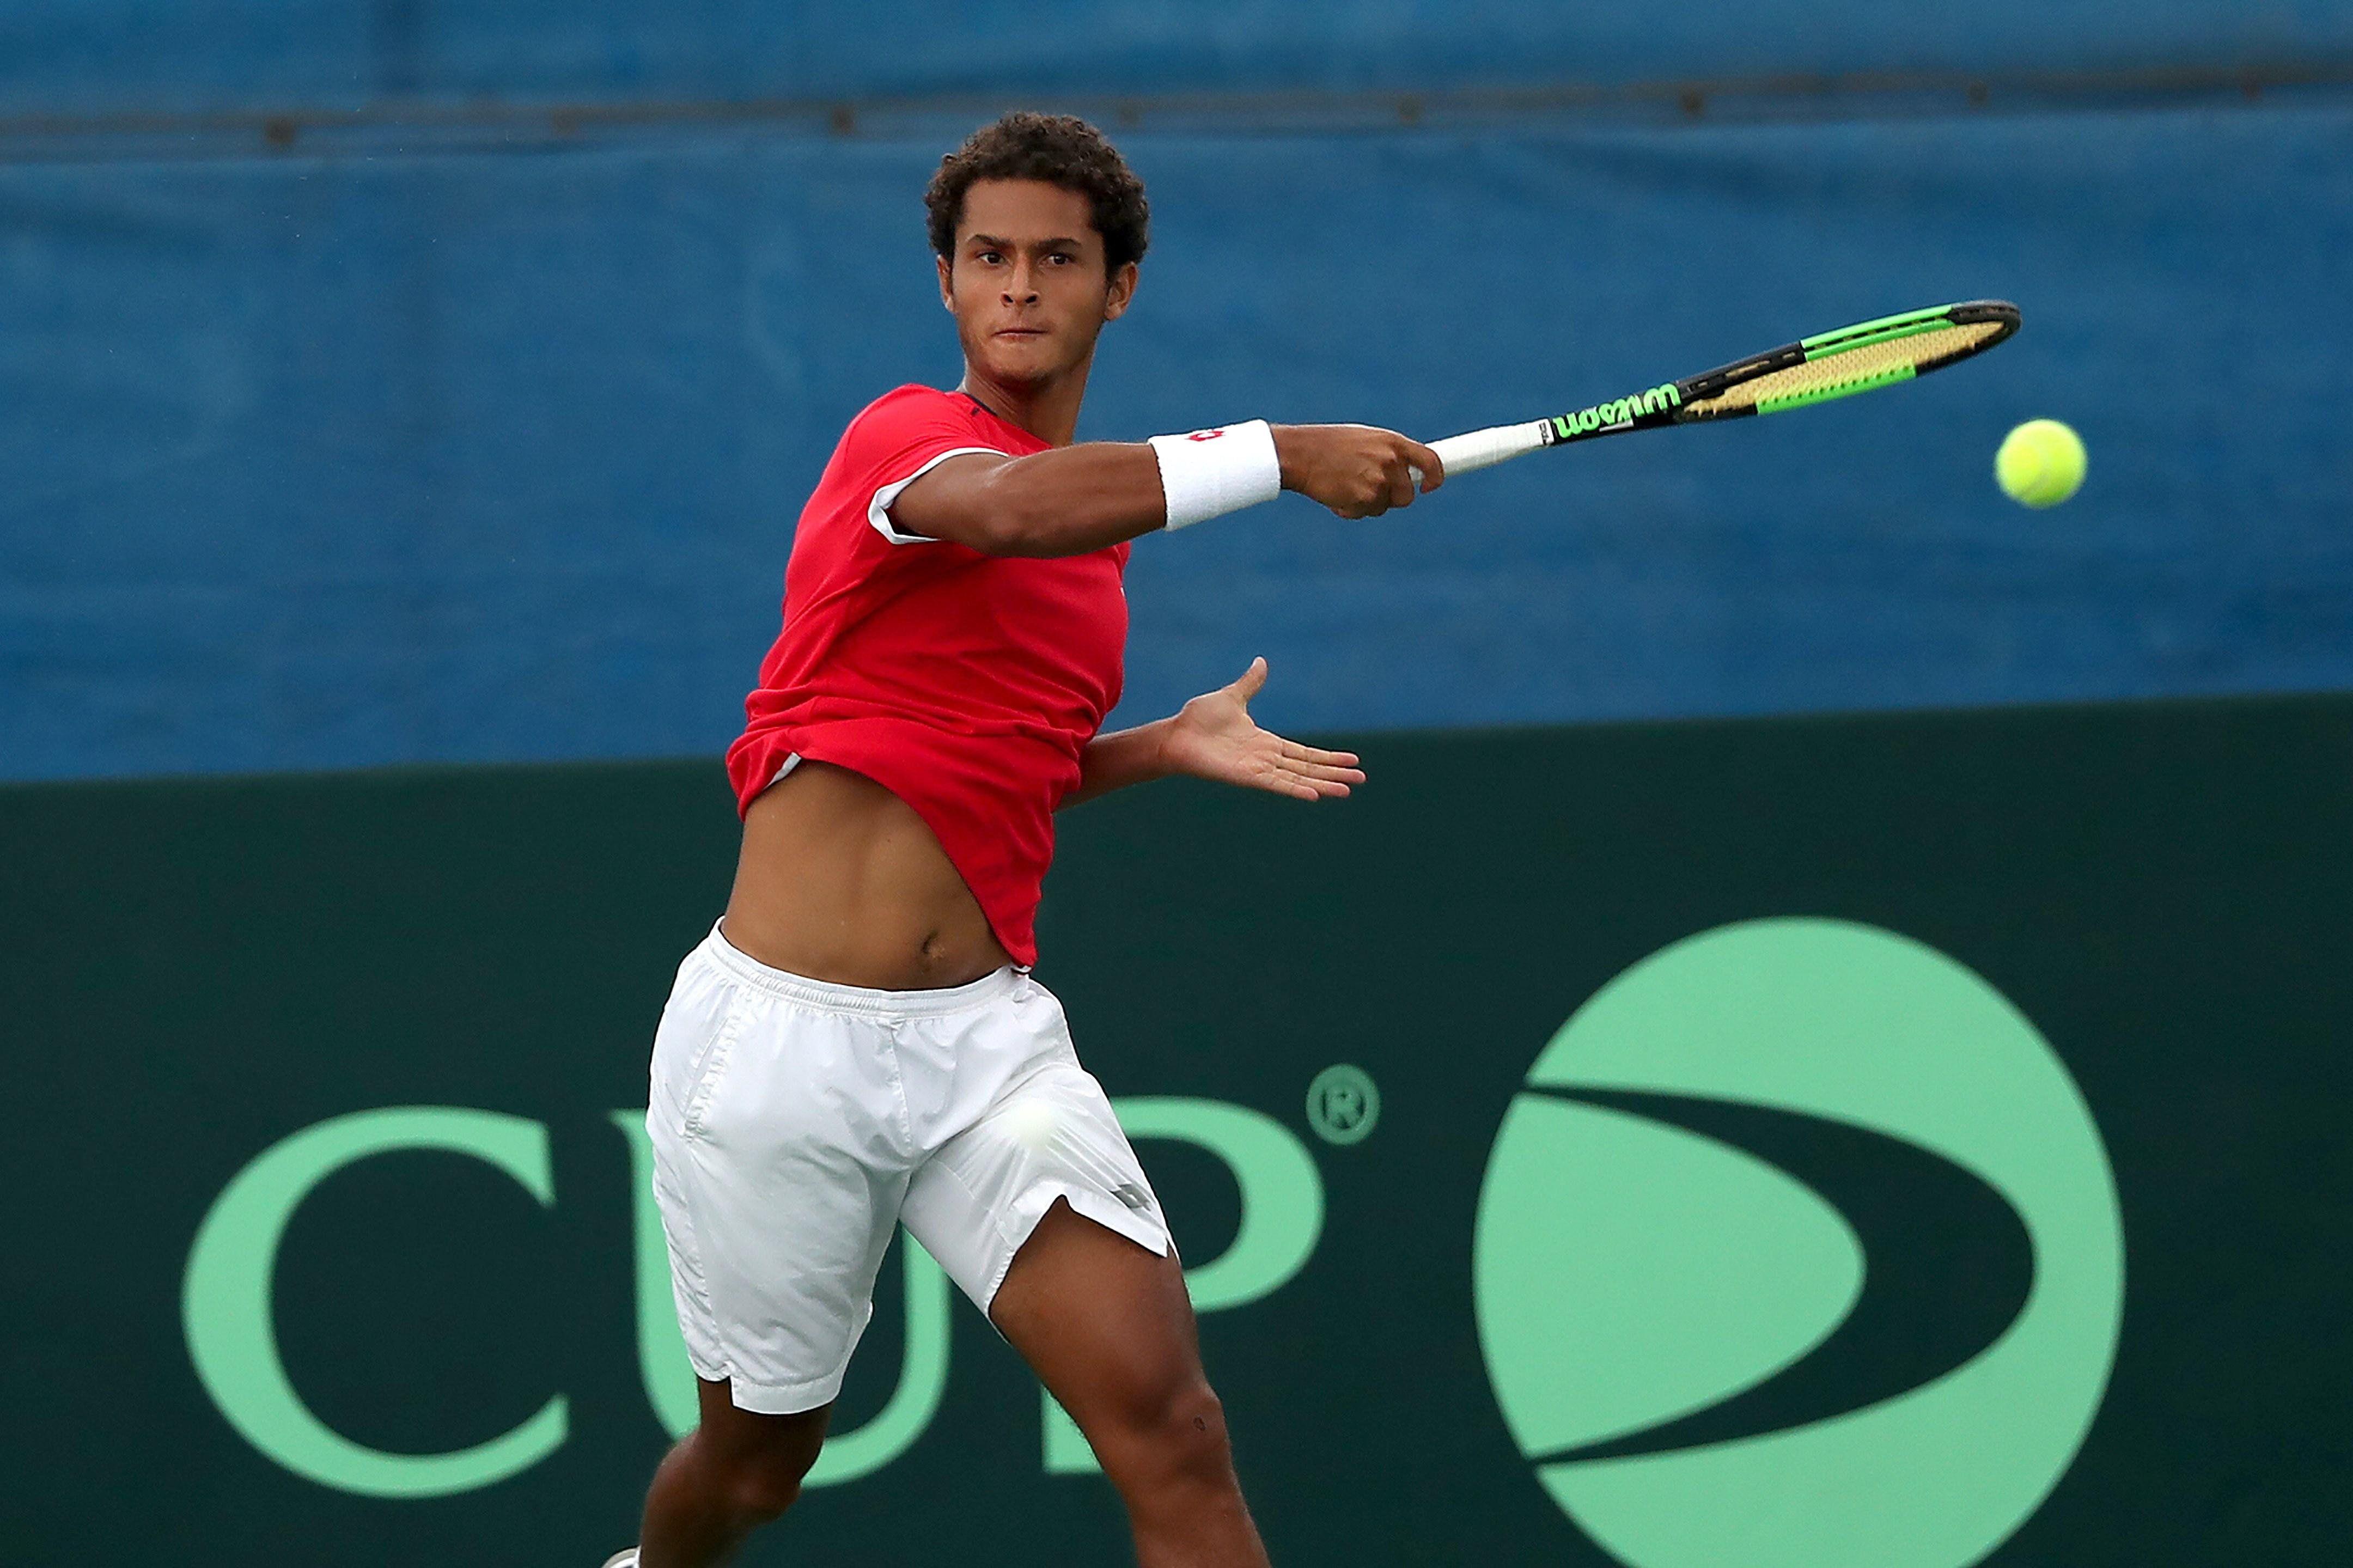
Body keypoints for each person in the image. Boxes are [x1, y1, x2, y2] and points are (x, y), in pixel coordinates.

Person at [608, 110, 1442, 1568]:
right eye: (988, 257)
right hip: (778, 1046)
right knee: (752, 1469)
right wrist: (1282, 452)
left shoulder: (1094, 564)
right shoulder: (909, 444)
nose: (1018, 286)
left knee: (1173, 1430)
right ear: (945, 281)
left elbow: (990, 772)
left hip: (983, 1051)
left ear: (1118, 289)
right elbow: (1006, 511)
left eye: (1057, 260)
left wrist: (1159, 747)